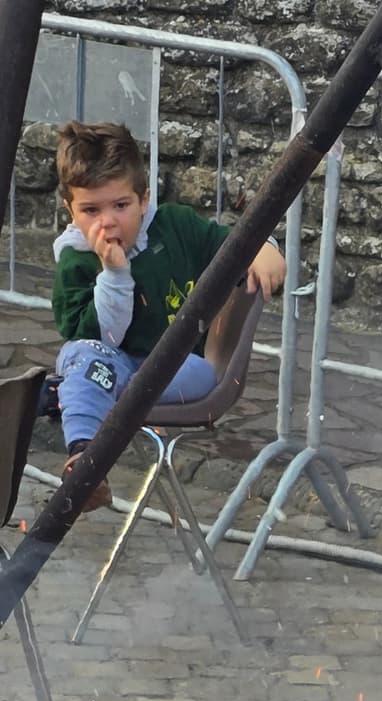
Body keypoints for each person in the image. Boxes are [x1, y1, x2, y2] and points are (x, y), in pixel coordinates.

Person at [51, 120, 286, 511]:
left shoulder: (174, 226)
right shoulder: (76, 260)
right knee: (83, 361)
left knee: (85, 382)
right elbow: (98, 338)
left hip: (180, 368)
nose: (107, 222)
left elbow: (234, 246)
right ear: (70, 210)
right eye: (90, 210)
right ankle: (86, 463)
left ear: (143, 199)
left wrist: (263, 245)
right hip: (110, 361)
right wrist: (114, 274)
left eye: (121, 206)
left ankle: (77, 396)